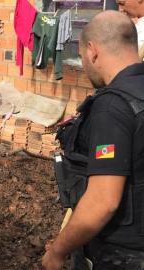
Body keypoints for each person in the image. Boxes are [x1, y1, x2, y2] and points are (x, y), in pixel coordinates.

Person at [42, 11, 144, 270]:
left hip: (122, 254)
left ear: (92, 51)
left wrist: (57, 252)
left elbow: (102, 201)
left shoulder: (112, 107)